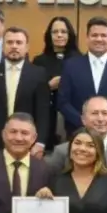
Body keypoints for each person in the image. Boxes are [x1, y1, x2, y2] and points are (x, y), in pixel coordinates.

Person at [57, 16, 107, 143]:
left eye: (103, 35)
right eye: (94, 35)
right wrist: (85, 122)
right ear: (87, 37)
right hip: (79, 134)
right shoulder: (71, 65)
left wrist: (106, 122)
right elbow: (63, 101)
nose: (99, 39)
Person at [0, 27, 50, 155]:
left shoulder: (39, 73)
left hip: (28, 143)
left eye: (19, 43)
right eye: (9, 42)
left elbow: (43, 112)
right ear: (3, 46)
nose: (14, 46)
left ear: (27, 47)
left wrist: (40, 142)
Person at [48, 96, 107, 176]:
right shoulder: (62, 152)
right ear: (83, 119)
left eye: (105, 113)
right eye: (94, 113)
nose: (100, 119)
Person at [32, 16, 81, 151]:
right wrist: (48, 87)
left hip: (73, 117)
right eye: (55, 32)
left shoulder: (80, 60)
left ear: (70, 35)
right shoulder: (39, 61)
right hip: (46, 116)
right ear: (49, 35)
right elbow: (31, 91)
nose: (59, 35)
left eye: (63, 32)